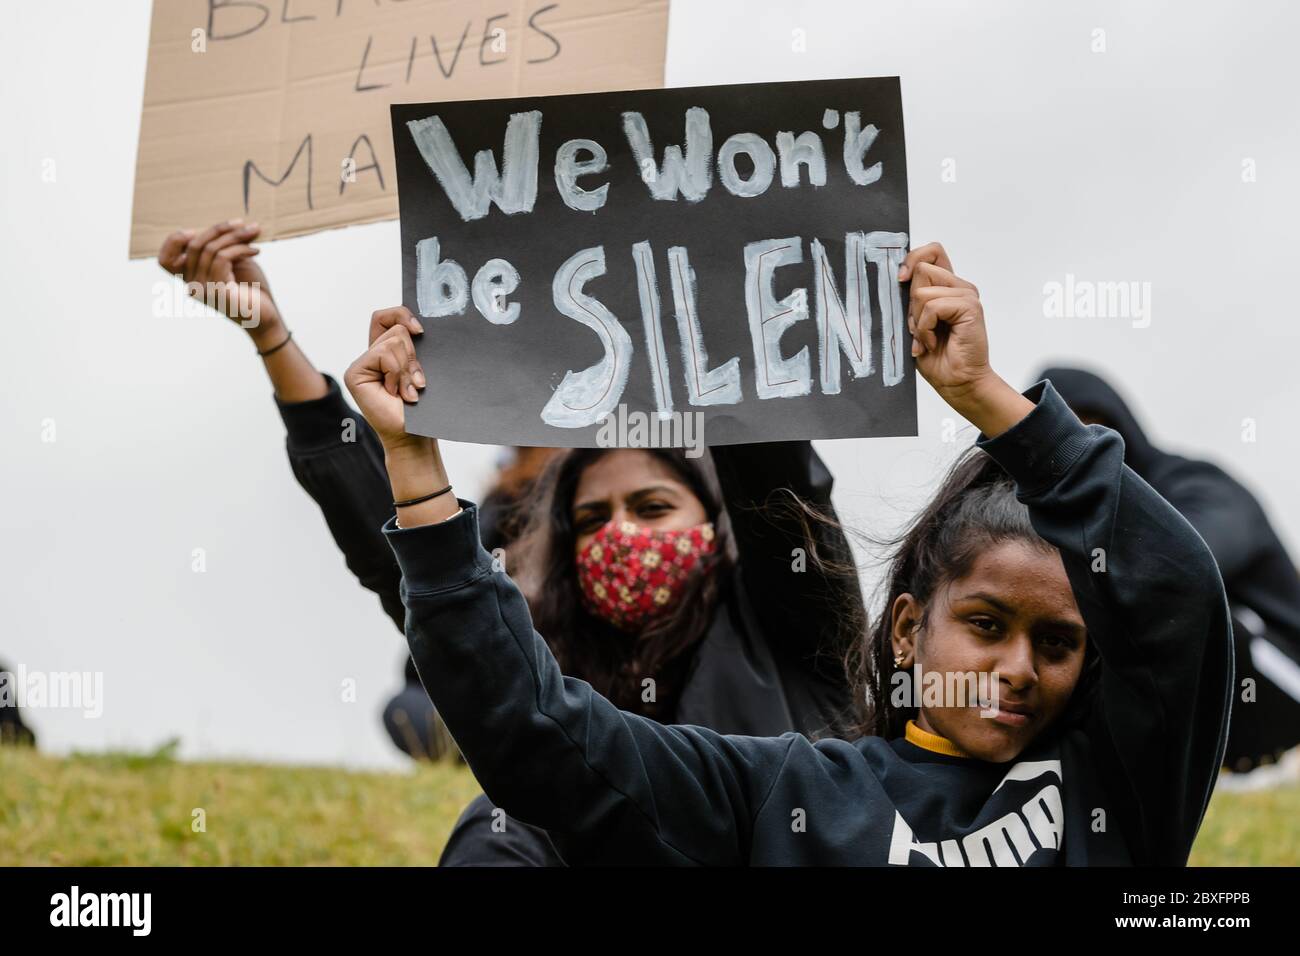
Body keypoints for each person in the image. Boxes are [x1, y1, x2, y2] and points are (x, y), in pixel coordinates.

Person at [343, 249, 1233, 865]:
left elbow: (1180, 595)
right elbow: (534, 733)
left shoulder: (1115, 783)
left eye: (1058, 643)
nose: (1015, 667)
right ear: (907, 631)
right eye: (986, 623)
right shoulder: (786, 790)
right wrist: (416, 473)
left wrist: (986, 396)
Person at [157, 221, 867, 866]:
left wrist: (718, 306)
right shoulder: (548, 656)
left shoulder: (790, 624)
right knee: (501, 819)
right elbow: (408, 559)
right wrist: (274, 340)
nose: (621, 532)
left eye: (652, 507)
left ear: (718, 527)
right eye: (592, 519)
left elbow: (782, 486)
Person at [1038, 366, 1300, 772]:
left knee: (1180, 601)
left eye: (1094, 429)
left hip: (1284, 671)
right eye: (1062, 439)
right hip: (1203, 724)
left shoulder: (1197, 485)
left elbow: (1192, 562)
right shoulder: (1072, 526)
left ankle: (1261, 757)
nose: (1081, 452)